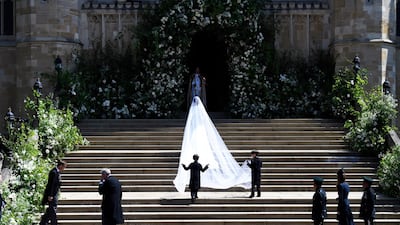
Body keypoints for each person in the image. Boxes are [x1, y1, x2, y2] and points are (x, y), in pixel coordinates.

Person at [39, 160, 67, 225]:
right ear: (60, 166)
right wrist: (50, 195)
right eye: (63, 167)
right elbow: (51, 185)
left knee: (50, 210)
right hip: (52, 195)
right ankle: (54, 223)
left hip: (55, 194)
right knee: (53, 209)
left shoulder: (57, 172)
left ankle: (43, 222)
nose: (64, 169)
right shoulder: (54, 172)